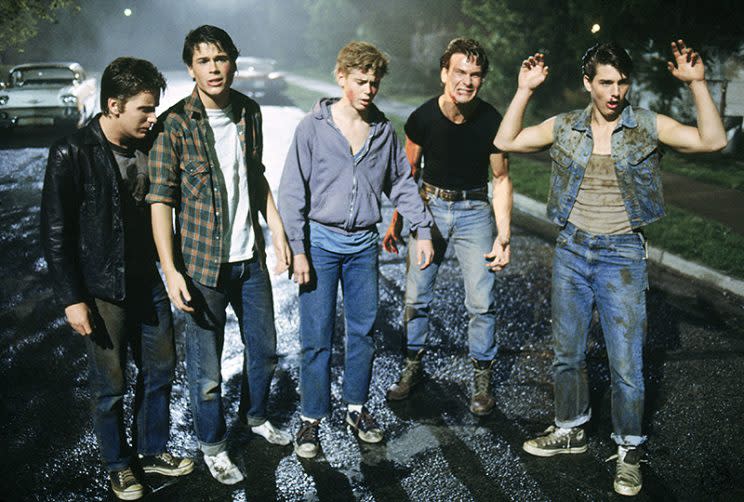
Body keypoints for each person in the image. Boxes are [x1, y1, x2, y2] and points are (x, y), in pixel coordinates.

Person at [494, 40, 727, 496]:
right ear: (588, 84)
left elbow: (712, 141)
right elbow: (506, 141)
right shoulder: (565, 127)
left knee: (626, 364)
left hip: (622, 254)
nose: (615, 91)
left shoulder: (647, 126)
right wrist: (523, 91)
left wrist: (698, 84)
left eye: (622, 82)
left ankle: (629, 450)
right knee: (568, 353)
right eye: (606, 82)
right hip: (572, 251)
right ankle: (570, 429)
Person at [41, 57, 193, 501]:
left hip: (149, 282)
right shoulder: (72, 151)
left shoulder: (153, 143)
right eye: (145, 109)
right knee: (111, 386)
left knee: (161, 370)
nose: (153, 118)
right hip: (103, 287)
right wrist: (72, 297)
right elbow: (55, 232)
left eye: (155, 108)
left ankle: (151, 451)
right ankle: (118, 465)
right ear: (112, 105)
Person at [147, 25, 293, 485]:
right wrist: (170, 269)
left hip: (248, 259)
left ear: (234, 61)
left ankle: (254, 417)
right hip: (202, 265)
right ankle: (212, 445)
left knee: (264, 352)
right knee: (206, 369)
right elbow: (160, 200)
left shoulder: (248, 112)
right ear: (190, 68)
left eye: (221, 58)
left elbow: (256, 176)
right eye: (204, 61)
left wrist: (280, 232)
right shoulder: (174, 124)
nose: (214, 68)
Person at [278, 41, 435, 459]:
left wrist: (421, 228)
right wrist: (297, 249)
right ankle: (311, 418)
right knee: (317, 335)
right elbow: (292, 190)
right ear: (341, 76)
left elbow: (401, 183)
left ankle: (357, 408)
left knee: (363, 331)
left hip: (363, 243)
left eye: (374, 82)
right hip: (321, 243)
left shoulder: (383, 129)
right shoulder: (313, 127)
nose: (368, 89)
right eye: (360, 81)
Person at [382, 38, 512, 416]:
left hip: (475, 209)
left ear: (482, 80)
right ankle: (412, 367)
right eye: (459, 72)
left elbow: (501, 179)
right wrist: (397, 221)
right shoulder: (422, 118)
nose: (467, 82)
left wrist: (504, 235)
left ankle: (482, 379)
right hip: (430, 208)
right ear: (444, 73)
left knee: (481, 301)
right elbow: (407, 174)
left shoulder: (491, 121)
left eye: (475, 75)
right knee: (416, 295)